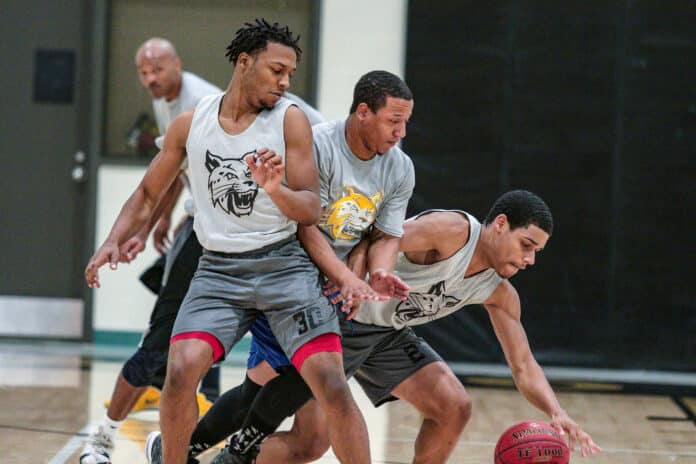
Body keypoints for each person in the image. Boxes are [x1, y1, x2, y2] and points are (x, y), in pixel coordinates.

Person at [85, 19, 377, 464]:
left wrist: (275, 188)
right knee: (181, 371)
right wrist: (114, 240)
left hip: (284, 266)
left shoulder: (290, 120)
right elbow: (148, 193)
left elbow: (310, 209)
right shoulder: (191, 123)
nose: (284, 82)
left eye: (290, 74)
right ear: (245, 62)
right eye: (277, 70)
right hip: (218, 269)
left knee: (331, 383)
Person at [192, 191, 603, 463]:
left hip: (386, 334)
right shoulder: (453, 232)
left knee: (453, 406)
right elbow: (375, 236)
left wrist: (556, 411)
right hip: (341, 320)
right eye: (526, 245)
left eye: (537, 253)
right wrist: (350, 281)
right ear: (499, 225)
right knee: (308, 442)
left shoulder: (499, 291)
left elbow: (524, 366)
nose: (529, 260)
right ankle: (197, 452)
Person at [146, 69, 417, 464]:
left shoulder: (399, 167)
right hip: (290, 281)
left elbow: (384, 234)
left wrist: (374, 272)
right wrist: (343, 276)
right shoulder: (317, 145)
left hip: (340, 294)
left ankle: (190, 452)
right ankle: (189, 452)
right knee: (277, 393)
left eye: (406, 123)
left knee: (310, 439)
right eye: (394, 121)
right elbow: (302, 225)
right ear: (363, 112)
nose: (401, 132)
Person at [79, 37, 222, 464]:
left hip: (235, 239)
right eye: (142, 72)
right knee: (161, 339)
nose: (150, 79)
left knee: (213, 341)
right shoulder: (172, 107)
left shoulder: (202, 101)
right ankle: (105, 437)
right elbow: (170, 169)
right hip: (201, 233)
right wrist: (157, 223)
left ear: (177, 65)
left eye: (157, 69)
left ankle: (196, 432)